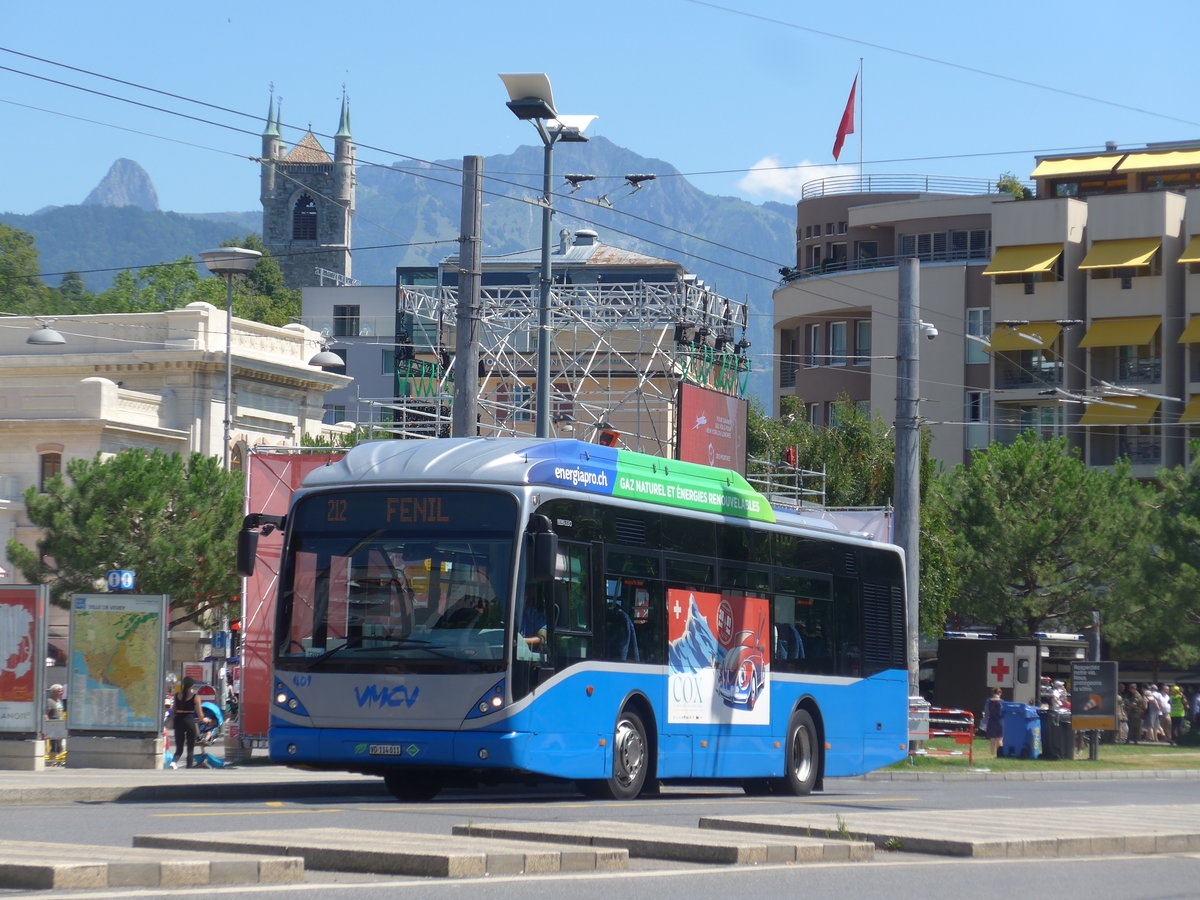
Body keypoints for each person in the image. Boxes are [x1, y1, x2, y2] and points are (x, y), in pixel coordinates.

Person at [173, 677, 212, 769]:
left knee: (179, 748)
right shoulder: (195, 697)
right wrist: (207, 720)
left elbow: (174, 710)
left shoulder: (177, 695)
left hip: (178, 721)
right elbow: (201, 716)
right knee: (190, 748)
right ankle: (188, 768)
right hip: (189, 721)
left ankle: (173, 763)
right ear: (192, 685)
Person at [45, 684, 65, 756]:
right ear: (53, 692)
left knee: (59, 745)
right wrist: (48, 725)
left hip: (60, 726)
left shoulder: (59, 701)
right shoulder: (49, 701)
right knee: (54, 745)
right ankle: (51, 762)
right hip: (53, 726)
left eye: (62, 691)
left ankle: (57, 760)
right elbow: (45, 714)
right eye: (59, 691)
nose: (62, 693)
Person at [983, 687, 1004, 757]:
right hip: (1000, 721)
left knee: (992, 739)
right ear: (999, 693)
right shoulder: (1002, 702)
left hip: (991, 720)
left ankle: (992, 754)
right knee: (1000, 738)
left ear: (993, 693)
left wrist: (985, 722)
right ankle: (1000, 754)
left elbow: (986, 713)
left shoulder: (988, 701)